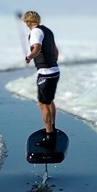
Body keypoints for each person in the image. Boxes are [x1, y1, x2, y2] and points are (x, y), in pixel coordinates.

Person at [22, 11, 60, 147]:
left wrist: (30, 57)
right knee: (49, 101)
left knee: (43, 104)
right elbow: (56, 51)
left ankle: (49, 136)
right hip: (54, 71)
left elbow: (37, 48)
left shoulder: (36, 32)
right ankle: (53, 128)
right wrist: (52, 62)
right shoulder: (47, 31)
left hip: (46, 73)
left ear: (27, 21)